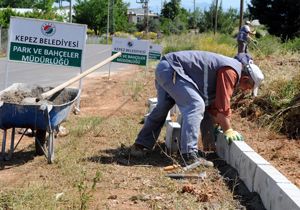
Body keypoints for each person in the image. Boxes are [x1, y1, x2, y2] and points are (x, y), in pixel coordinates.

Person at [130, 50, 264, 166]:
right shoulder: (231, 71)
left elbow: (211, 106)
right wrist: (228, 129)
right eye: (249, 88)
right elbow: (223, 103)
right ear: (246, 79)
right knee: (195, 105)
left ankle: (140, 146)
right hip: (174, 69)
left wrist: (211, 141)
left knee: (163, 106)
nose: (246, 91)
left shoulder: (230, 68)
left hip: (166, 67)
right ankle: (189, 155)